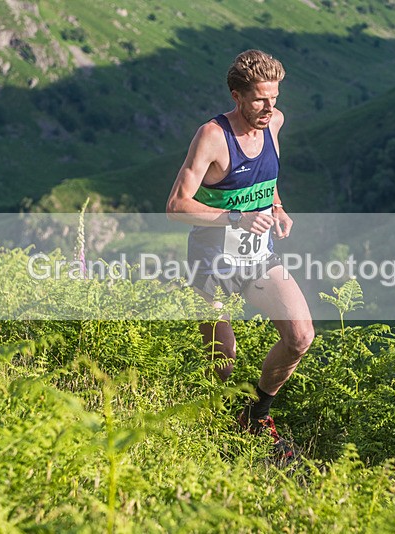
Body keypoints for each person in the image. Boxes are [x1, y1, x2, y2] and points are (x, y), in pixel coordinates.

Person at [166, 49, 314, 457]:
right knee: (224, 363)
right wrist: (237, 217)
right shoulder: (212, 137)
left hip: (258, 257)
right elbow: (177, 206)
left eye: (275, 97)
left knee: (300, 337)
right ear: (236, 95)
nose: (269, 107)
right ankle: (219, 437)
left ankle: (255, 417)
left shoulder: (274, 123)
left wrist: (277, 207)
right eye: (259, 99)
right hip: (211, 261)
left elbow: (267, 180)